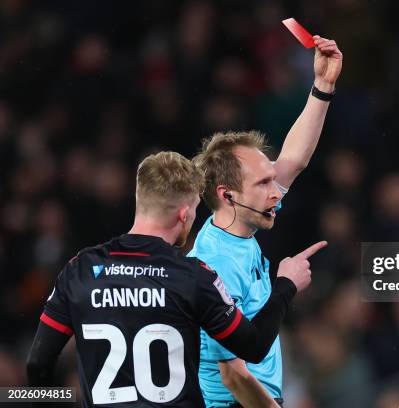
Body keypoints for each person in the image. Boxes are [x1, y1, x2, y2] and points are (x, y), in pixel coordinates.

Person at [26, 151, 324, 407]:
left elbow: (37, 364)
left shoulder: (80, 269)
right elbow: (255, 346)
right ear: (184, 213)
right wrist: (286, 285)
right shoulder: (194, 278)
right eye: (195, 210)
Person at [189, 35, 342, 408]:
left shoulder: (243, 220)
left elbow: (294, 159)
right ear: (227, 195)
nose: (276, 191)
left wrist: (322, 87)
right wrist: (286, 285)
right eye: (263, 183)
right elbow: (233, 374)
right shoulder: (214, 265)